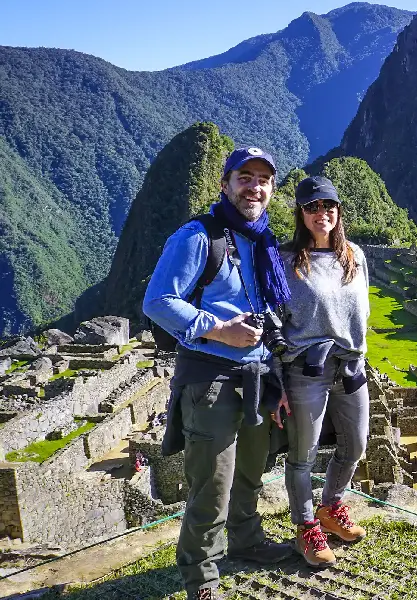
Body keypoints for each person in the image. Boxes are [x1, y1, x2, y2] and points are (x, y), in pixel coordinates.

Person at [143, 146, 294, 600]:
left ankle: (247, 543)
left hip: (258, 378)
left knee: (251, 471)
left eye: (263, 179)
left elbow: (269, 313)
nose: (255, 187)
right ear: (224, 184)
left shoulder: (261, 241)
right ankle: (201, 577)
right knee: (213, 485)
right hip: (210, 379)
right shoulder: (197, 237)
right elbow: (158, 301)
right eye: (244, 177)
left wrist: (279, 379)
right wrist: (217, 330)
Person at [271, 175, 371, 568]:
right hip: (304, 370)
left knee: (357, 444)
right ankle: (306, 527)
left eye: (328, 206)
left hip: (350, 365)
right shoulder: (285, 260)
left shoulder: (356, 256)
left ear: (338, 211)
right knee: (303, 455)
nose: (321, 213)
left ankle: (331, 507)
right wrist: (276, 380)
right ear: (301, 213)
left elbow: (360, 312)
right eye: (312, 207)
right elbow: (274, 322)